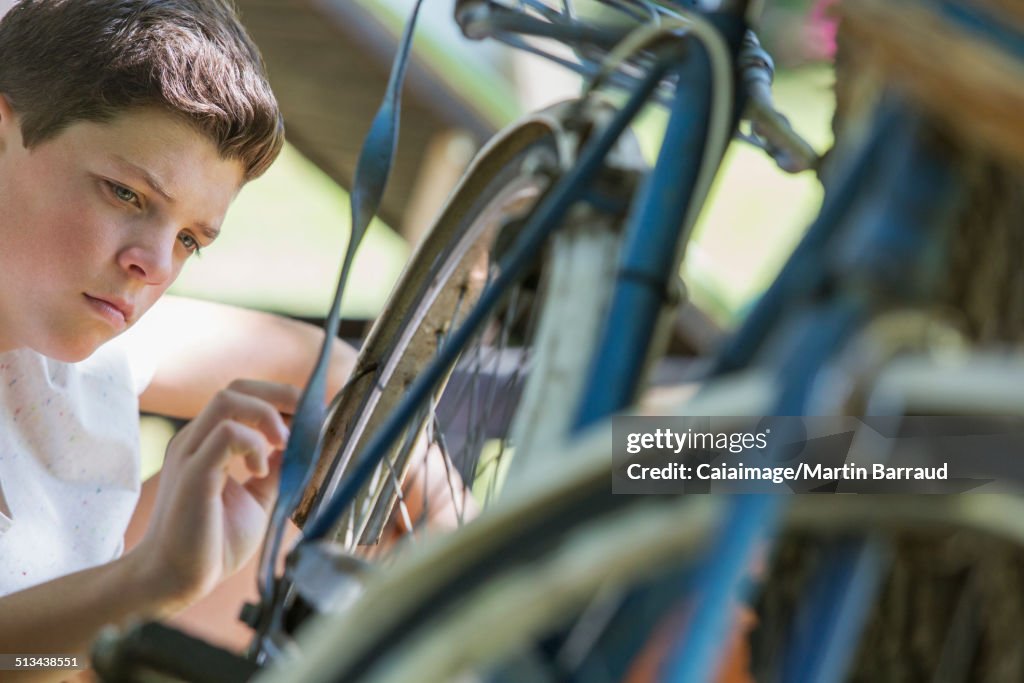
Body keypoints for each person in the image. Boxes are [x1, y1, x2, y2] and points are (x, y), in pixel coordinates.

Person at [0, 0, 358, 677]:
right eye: (126, 194)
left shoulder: (76, 344)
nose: (157, 266)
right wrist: (151, 578)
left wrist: (426, 466)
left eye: (191, 238)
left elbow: (323, 365)